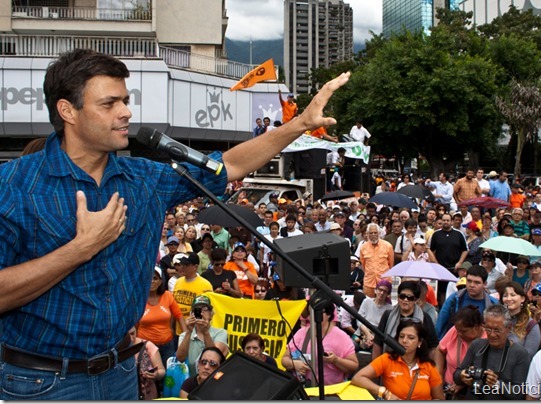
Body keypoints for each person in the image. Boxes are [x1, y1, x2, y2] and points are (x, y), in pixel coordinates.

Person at [0, 48, 349, 400]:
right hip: (39, 382)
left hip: (122, 374)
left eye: (125, 100)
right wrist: (80, 249)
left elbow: (227, 166)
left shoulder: (144, 179)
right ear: (67, 111)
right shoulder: (11, 186)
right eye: (109, 104)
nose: (126, 112)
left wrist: (299, 124)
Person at [351, 319, 445, 400]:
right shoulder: (387, 359)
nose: (404, 340)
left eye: (411, 338)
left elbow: (439, 398)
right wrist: (384, 393)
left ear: (419, 342)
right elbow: (357, 378)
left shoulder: (428, 366)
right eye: (401, 336)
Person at [453, 305, 531, 400]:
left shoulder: (520, 354)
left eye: (497, 330)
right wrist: (462, 376)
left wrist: (497, 384)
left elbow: (519, 393)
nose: (492, 334)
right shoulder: (477, 345)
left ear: (509, 328)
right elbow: (456, 375)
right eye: (488, 329)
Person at [281, 302, 358, 386]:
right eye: (310, 313)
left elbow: (353, 366)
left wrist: (336, 360)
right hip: (303, 389)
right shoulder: (302, 333)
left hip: (330, 391)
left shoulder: (341, 337)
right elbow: (284, 359)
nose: (313, 316)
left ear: (329, 315)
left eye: (318, 313)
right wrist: (294, 364)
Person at [373, 281, 439, 360]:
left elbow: (433, 346)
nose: (405, 300)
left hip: (417, 363)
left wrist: (431, 367)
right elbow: (377, 343)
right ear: (398, 297)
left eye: (410, 298)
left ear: (416, 300)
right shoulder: (388, 315)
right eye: (402, 296)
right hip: (390, 361)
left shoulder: (425, 317)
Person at [137, 266, 187, 368]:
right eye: (149, 278)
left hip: (167, 344)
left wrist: (187, 335)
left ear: (160, 281)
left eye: (155, 278)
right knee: (149, 377)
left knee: (169, 375)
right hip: (146, 346)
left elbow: (179, 315)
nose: (152, 281)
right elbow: (133, 322)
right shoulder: (139, 299)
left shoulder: (168, 296)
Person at [434, 305, 486, 399]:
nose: (459, 333)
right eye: (458, 330)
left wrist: (463, 383)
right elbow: (439, 350)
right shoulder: (456, 330)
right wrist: (439, 374)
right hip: (448, 389)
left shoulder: (487, 340)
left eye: (464, 331)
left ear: (477, 327)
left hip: (473, 393)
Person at [436, 265, 497, 339]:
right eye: (469, 281)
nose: (472, 285)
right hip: (456, 341)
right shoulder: (454, 299)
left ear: (485, 284)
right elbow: (441, 322)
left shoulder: (493, 304)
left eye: (477, 282)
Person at [176, 295, 229, 376]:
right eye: (197, 309)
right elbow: (180, 358)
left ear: (211, 314)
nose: (201, 312)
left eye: (205, 309)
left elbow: (214, 358)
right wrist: (189, 331)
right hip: (191, 380)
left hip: (212, 379)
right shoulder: (184, 335)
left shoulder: (221, 333)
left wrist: (205, 332)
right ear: (191, 314)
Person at [430, 213, 469, 306]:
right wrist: (436, 263)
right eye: (444, 220)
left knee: (455, 290)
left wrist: (460, 263)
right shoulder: (436, 234)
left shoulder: (459, 234)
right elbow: (430, 251)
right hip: (441, 269)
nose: (445, 222)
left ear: (451, 222)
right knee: (442, 292)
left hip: (454, 269)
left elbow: (465, 250)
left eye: (447, 220)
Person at [498, 281, 541, 358]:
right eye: (505, 295)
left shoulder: (531, 325)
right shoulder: (498, 320)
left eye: (513, 295)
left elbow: (528, 355)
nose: (508, 299)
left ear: (522, 299)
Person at [129, 326, 165, 400]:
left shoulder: (148, 346)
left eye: (133, 333)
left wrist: (156, 374)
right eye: (127, 336)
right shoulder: (118, 350)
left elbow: (162, 371)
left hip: (147, 393)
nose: (131, 338)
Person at [355, 280, 392, 351]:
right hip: (361, 333)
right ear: (375, 290)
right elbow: (359, 320)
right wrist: (368, 334)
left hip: (377, 338)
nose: (382, 293)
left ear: (388, 294)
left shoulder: (390, 308)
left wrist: (374, 338)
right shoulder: (366, 302)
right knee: (350, 346)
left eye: (385, 291)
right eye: (380, 290)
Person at [359, 223, 394, 298]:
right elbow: (363, 265)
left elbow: (391, 265)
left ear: (379, 233)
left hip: (384, 282)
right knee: (369, 304)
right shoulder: (363, 247)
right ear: (367, 234)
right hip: (369, 283)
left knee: (385, 305)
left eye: (375, 232)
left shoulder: (388, 246)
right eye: (371, 233)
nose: (373, 235)